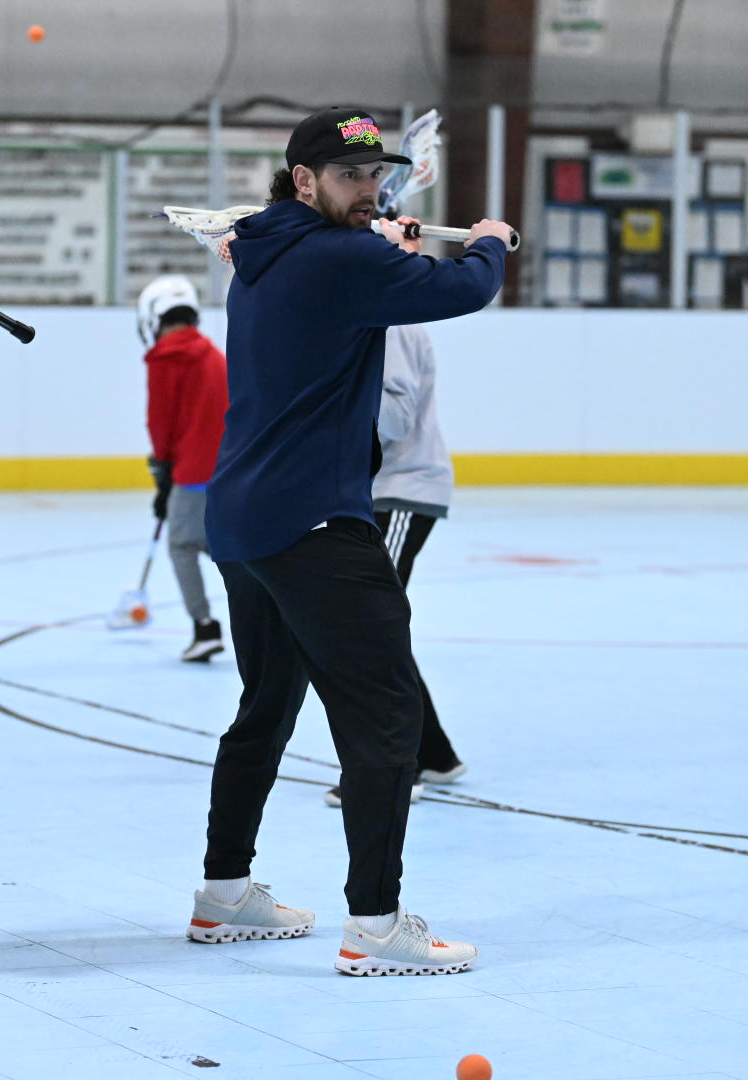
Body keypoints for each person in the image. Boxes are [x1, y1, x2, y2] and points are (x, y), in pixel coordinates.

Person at [187, 105, 512, 976]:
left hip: (244, 520)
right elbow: (466, 290)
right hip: (316, 524)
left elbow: (358, 270)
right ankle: (374, 924)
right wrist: (486, 240)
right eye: (349, 176)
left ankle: (224, 896)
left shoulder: (259, 252)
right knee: (387, 717)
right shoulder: (338, 255)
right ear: (304, 181)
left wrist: (384, 240)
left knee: (265, 708)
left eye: (377, 175)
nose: (370, 190)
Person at [322, 218, 466, 808]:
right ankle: (433, 754)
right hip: (383, 490)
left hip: (402, 491)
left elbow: (394, 411)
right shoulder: (373, 311)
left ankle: (396, 763)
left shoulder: (394, 319)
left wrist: (340, 443)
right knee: (370, 628)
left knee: (368, 628)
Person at [138, 275, 230, 662]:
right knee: (222, 547)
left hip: (192, 473)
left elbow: (162, 422)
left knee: (182, 545)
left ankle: (204, 627)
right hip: (227, 469)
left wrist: (162, 475)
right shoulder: (212, 354)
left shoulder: (164, 358)